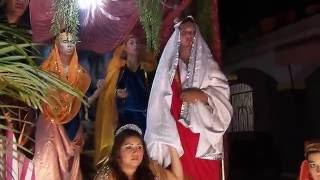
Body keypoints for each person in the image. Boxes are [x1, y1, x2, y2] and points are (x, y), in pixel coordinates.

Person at [145, 16, 233, 180]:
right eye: (184, 32)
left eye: (192, 32)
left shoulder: (208, 64)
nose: (188, 35)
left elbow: (222, 91)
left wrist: (202, 96)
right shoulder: (167, 66)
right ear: (177, 35)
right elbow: (158, 99)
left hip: (202, 133)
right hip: (176, 134)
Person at [33, 31, 91, 180]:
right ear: (57, 44)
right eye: (65, 41)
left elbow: (81, 104)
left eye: (72, 41)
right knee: (48, 165)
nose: (69, 44)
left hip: (72, 124)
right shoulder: (45, 71)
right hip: (49, 124)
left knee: (71, 168)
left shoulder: (82, 75)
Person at [94, 34, 156, 164]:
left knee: (145, 150)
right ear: (125, 48)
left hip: (146, 117)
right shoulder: (119, 69)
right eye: (131, 43)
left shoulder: (147, 69)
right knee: (126, 150)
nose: (135, 45)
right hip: (125, 117)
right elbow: (108, 89)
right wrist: (116, 92)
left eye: (137, 42)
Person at [95, 124, 183, 180]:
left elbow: (177, 178)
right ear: (118, 152)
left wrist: (171, 146)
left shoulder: (151, 169)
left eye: (139, 147)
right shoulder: (106, 177)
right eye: (129, 147)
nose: (136, 152)